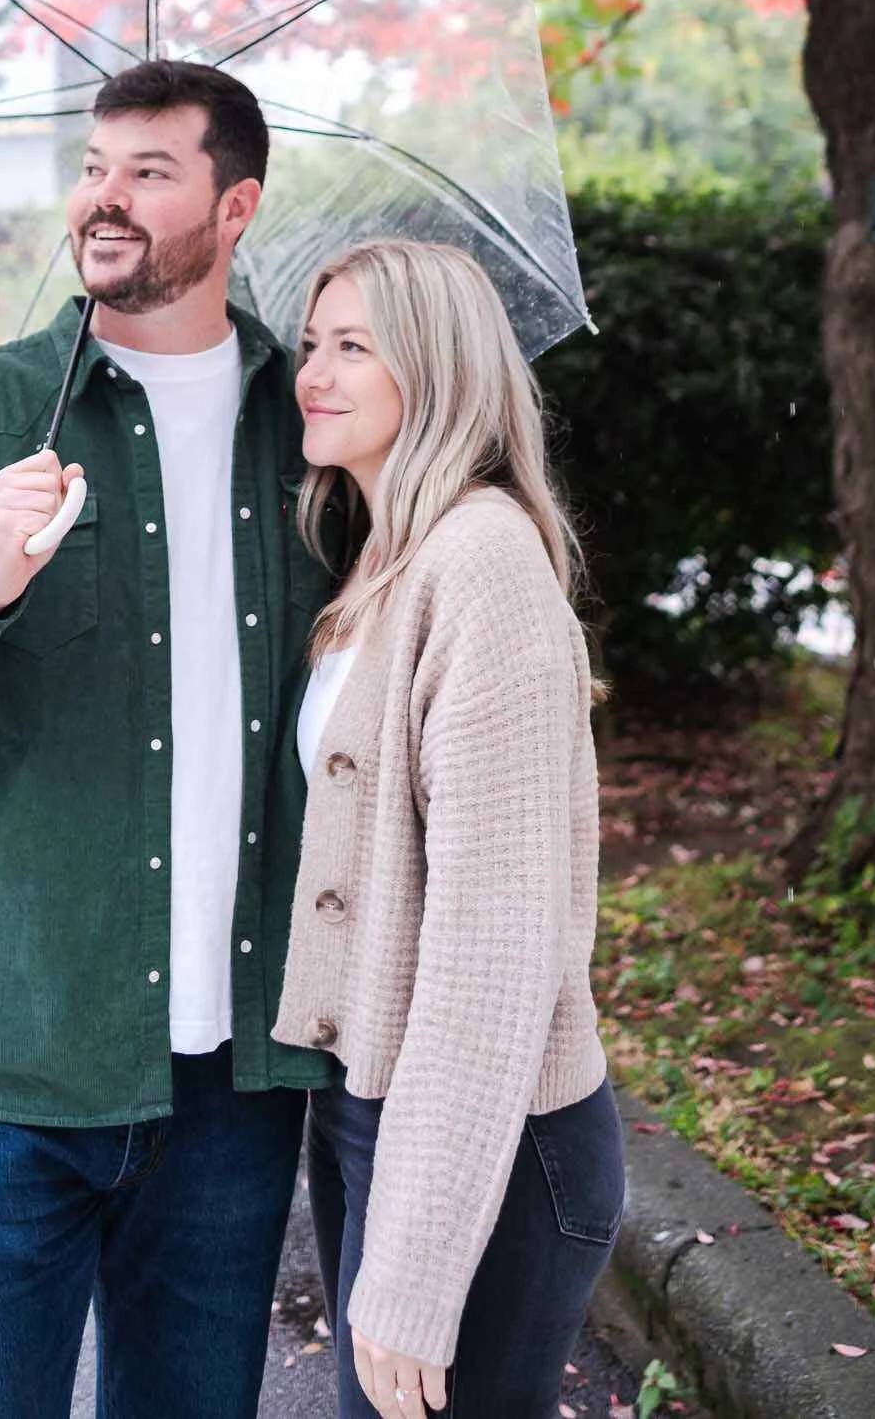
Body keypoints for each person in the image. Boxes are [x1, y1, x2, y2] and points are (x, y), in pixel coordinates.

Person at [0, 59, 340, 1419]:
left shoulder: (317, 431)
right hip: (8, 1061)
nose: (105, 198)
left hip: (236, 1082)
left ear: (236, 209)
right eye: (95, 167)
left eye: (151, 171)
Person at [273, 238, 623, 1419]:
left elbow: (494, 950)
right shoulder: (385, 552)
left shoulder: (482, 566)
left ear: (439, 371)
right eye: (313, 344)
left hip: (496, 1141)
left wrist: (413, 1275)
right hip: (381, 1107)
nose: (315, 371)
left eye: (354, 347)